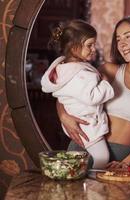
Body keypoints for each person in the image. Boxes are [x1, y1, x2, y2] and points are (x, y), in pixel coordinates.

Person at [56, 16, 130, 168]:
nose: (122, 44)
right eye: (118, 39)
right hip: (84, 148)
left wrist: (125, 163)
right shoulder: (109, 70)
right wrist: (63, 115)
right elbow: (67, 93)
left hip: (121, 160)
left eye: (128, 36)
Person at [41, 19, 114, 169]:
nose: (94, 48)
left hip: (76, 118)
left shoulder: (64, 68)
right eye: (89, 45)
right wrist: (106, 82)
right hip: (85, 124)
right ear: (73, 47)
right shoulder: (79, 73)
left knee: (85, 159)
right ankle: (94, 184)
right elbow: (92, 97)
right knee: (102, 157)